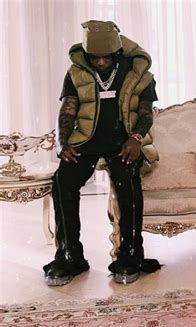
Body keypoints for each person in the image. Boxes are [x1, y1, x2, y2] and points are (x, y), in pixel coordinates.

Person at [43, 20, 161, 286]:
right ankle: (69, 256)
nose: (101, 62)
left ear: (116, 53)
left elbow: (145, 113)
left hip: (124, 140)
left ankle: (129, 256)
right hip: (86, 139)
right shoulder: (76, 73)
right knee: (63, 180)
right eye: (94, 57)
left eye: (106, 57)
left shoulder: (138, 72)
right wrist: (62, 143)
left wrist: (136, 139)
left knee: (128, 181)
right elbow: (68, 109)